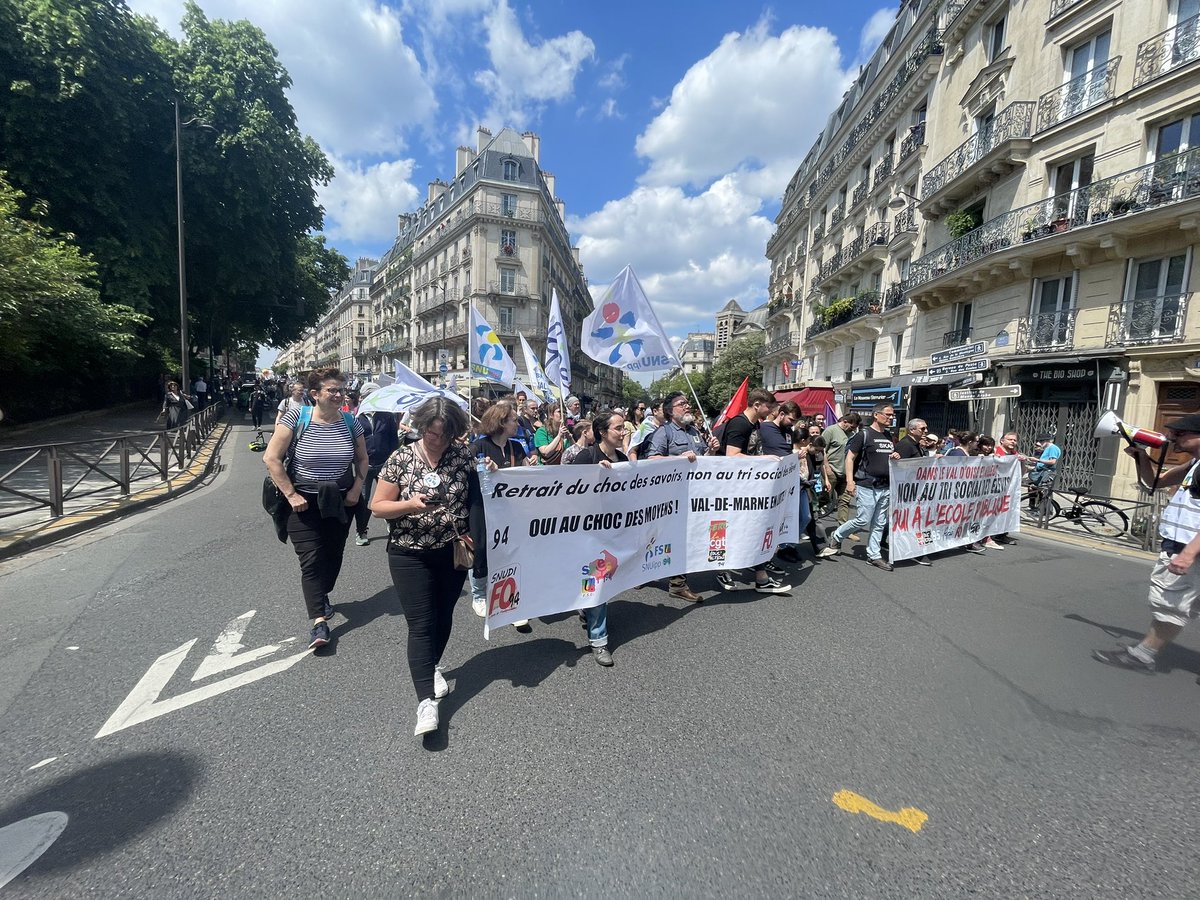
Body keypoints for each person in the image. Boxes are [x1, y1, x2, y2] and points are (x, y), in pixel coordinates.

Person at [371, 396, 477, 737]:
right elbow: (378, 506)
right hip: (408, 553)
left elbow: (476, 499)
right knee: (421, 624)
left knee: (444, 615)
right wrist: (409, 505)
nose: (437, 440)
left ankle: (430, 666)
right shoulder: (401, 457)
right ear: (422, 428)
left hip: (452, 552)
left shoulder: (462, 456)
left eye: (445, 435)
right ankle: (426, 702)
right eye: (432, 433)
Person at [263, 367, 368, 649]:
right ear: (315, 394)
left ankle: (322, 593)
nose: (338, 395)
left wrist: (357, 488)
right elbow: (271, 458)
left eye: (341, 390)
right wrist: (291, 494)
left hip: (340, 499)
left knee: (333, 555)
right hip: (303, 503)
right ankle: (319, 622)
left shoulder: (350, 421)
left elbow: (362, 460)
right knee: (311, 561)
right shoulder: (296, 417)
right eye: (332, 390)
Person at [1093, 415, 1200, 674]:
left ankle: (1143, 655)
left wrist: (1188, 553)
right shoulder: (1194, 465)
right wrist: (1140, 457)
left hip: (1188, 548)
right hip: (1185, 546)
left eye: (1181, 433)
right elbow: (1155, 482)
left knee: (1169, 603)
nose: (1173, 438)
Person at [568, 410, 630, 667]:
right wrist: (593, 474)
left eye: (624, 428)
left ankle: (586, 606)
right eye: (618, 428)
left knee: (602, 578)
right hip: (590, 532)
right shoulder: (588, 456)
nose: (623, 432)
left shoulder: (624, 458)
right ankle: (599, 640)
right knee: (598, 582)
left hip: (613, 531)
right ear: (603, 432)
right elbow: (567, 489)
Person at [715, 389, 792, 594]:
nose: (771, 411)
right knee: (729, 530)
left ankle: (761, 576)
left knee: (754, 528)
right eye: (768, 407)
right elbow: (732, 455)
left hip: (749, 487)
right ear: (757, 404)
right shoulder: (739, 423)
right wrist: (762, 460)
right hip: (732, 488)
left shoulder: (755, 423)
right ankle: (723, 570)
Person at [647, 391, 720, 601]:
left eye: (687, 403)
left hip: (695, 494)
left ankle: (667, 580)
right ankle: (672, 583)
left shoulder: (695, 431)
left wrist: (712, 451)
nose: (687, 406)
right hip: (672, 495)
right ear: (670, 411)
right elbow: (652, 459)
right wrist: (677, 458)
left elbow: (703, 461)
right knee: (671, 537)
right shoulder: (664, 432)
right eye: (682, 404)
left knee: (684, 536)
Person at [468, 401, 531, 631]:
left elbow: (526, 477)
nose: (517, 424)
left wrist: (531, 467)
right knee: (481, 549)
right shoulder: (478, 448)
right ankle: (479, 595)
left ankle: (509, 601)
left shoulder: (517, 448)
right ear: (502, 422)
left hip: (510, 510)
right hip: (481, 508)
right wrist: (480, 467)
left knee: (509, 552)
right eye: (514, 420)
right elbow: (465, 477)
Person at [819, 402, 896, 571]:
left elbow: (885, 458)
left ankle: (874, 555)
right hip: (867, 485)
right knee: (863, 519)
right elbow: (850, 458)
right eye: (888, 414)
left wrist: (894, 456)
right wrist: (850, 481)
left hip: (885, 486)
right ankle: (837, 535)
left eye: (892, 415)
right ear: (876, 415)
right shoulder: (864, 434)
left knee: (879, 522)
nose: (891, 417)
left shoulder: (889, 436)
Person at [353, 385, 400, 547]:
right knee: (364, 499)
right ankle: (361, 530)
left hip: (384, 463)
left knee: (390, 497)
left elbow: (393, 439)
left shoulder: (386, 415)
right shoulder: (356, 416)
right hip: (364, 464)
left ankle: (392, 524)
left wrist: (394, 459)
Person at [893, 418, 933, 566]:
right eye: (922, 429)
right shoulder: (905, 445)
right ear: (912, 430)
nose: (926, 431)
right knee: (913, 521)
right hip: (907, 492)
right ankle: (916, 550)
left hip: (917, 490)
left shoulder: (917, 445)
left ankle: (886, 539)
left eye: (926, 428)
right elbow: (898, 470)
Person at [821, 413, 862, 521]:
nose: (853, 429)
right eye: (852, 426)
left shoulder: (852, 435)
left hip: (846, 473)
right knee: (824, 498)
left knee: (844, 501)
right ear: (844, 422)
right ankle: (812, 522)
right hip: (832, 471)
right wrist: (827, 468)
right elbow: (822, 450)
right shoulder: (831, 430)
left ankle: (842, 529)